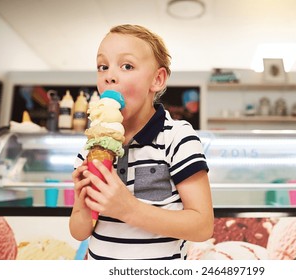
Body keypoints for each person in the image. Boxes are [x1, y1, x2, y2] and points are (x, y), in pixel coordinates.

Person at [69, 24, 214, 260]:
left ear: (157, 79)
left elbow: (202, 225)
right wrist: (82, 204)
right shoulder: (90, 146)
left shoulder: (176, 137)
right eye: (102, 66)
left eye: (127, 66)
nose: (109, 75)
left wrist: (128, 209)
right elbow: (78, 231)